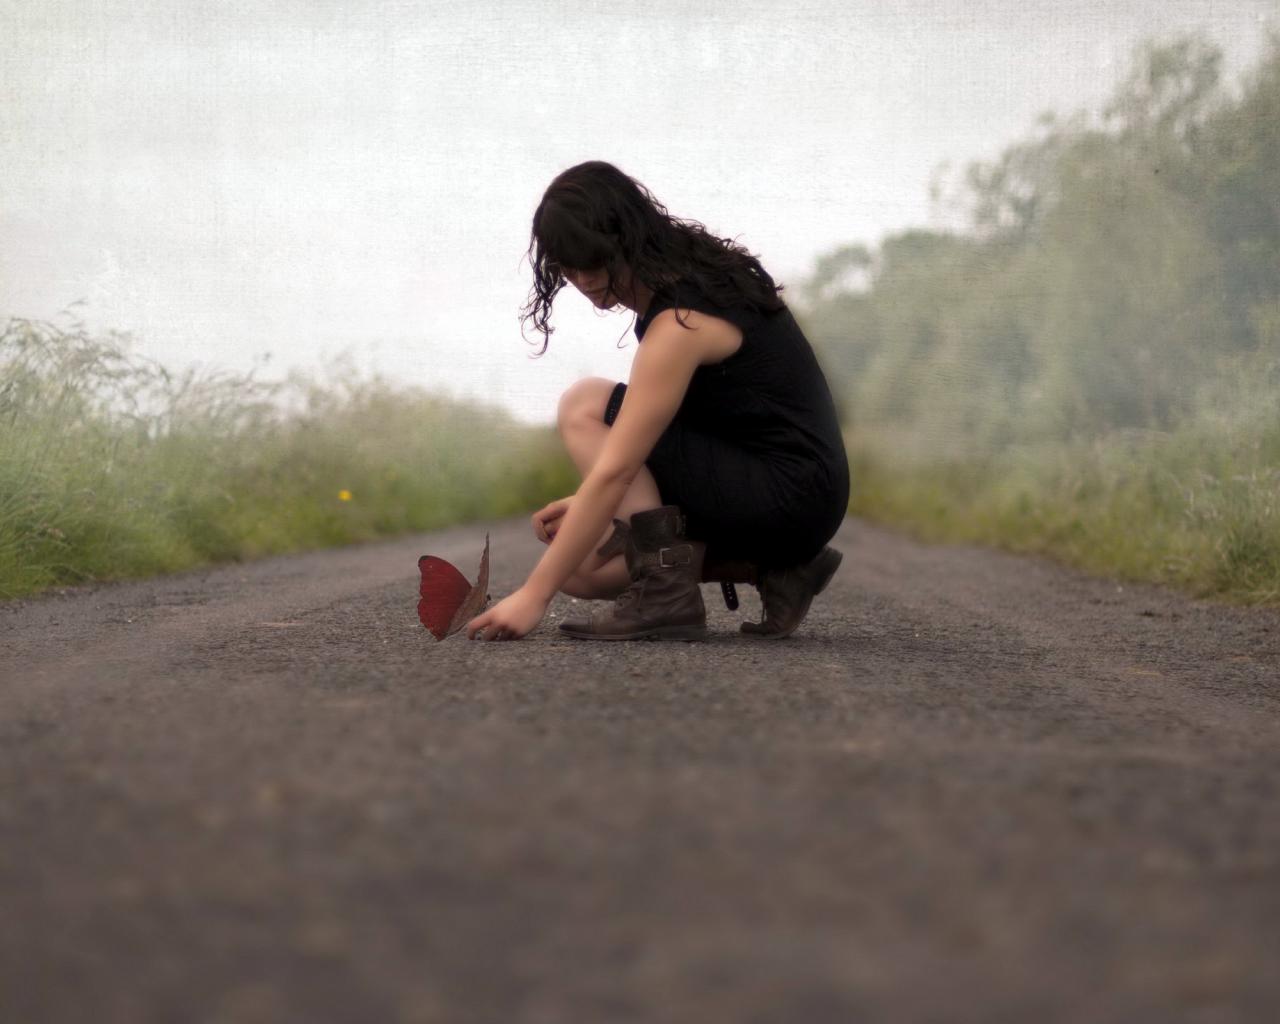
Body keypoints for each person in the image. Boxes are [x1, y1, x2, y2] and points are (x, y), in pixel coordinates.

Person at [465, 160, 849, 642]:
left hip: (790, 491)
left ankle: (665, 592)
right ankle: (776, 569)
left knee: (584, 404)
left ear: (624, 239)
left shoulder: (679, 322)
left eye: (593, 260)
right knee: (581, 570)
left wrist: (533, 595)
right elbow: (693, 432)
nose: (583, 279)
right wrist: (587, 506)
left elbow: (619, 468)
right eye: (568, 266)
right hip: (789, 488)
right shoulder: (690, 276)